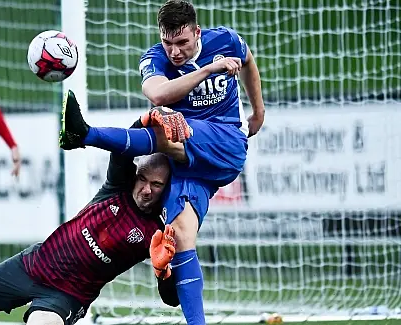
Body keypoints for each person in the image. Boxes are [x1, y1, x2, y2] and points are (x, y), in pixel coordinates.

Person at [59, 1, 266, 324]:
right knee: (181, 233)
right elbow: (157, 94)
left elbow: (247, 58)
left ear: (197, 33)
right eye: (168, 42)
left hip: (225, 143)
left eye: (182, 42)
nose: (175, 51)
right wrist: (208, 70)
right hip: (190, 166)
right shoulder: (155, 58)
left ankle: (85, 135)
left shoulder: (225, 40)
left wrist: (259, 110)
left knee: (170, 131)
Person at [0, 120, 179, 325]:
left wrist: (162, 272)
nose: (146, 189)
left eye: (156, 185)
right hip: (32, 265)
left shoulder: (159, 231)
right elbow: (122, 148)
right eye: (143, 179)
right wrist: (144, 121)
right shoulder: (118, 187)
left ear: (166, 188)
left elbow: (172, 300)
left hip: (68, 295)